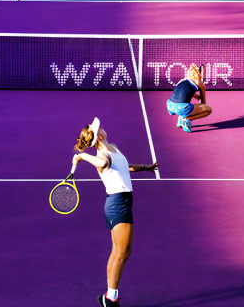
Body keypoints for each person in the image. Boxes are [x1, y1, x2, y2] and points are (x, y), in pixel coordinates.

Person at [73, 117, 159, 307]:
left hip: (122, 202)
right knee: (122, 252)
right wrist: (82, 156)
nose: (102, 128)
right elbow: (103, 163)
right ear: (98, 137)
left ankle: (109, 296)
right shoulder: (102, 156)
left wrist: (144, 167)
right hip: (117, 204)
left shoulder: (112, 147)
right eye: (99, 128)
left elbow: (123, 167)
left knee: (119, 252)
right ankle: (111, 299)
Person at [166, 64, 212, 133]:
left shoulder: (183, 81)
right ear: (198, 74)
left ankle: (181, 118)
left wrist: (196, 97)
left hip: (170, 106)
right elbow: (203, 104)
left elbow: (182, 92)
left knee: (185, 104)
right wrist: (201, 94)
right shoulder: (200, 83)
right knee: (208, 109)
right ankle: (186, 119)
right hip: (181, 108)